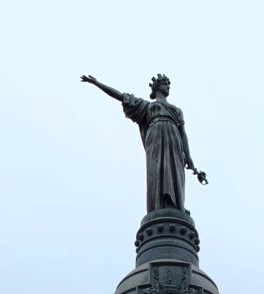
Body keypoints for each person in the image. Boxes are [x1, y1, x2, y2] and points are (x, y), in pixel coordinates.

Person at [81, 73, 207, 212]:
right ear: (157, 87)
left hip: (174, 140)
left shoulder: (177, 110)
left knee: (175, 171)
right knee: (158, 167)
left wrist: (188, 157)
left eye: (169, 85)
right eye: (165, 84)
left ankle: (177, 205)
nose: (168, 87)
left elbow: (183, 133)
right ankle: (160, 203)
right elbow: (121, 96)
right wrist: (97, 83)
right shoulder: (147, 106)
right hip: (156, 137)